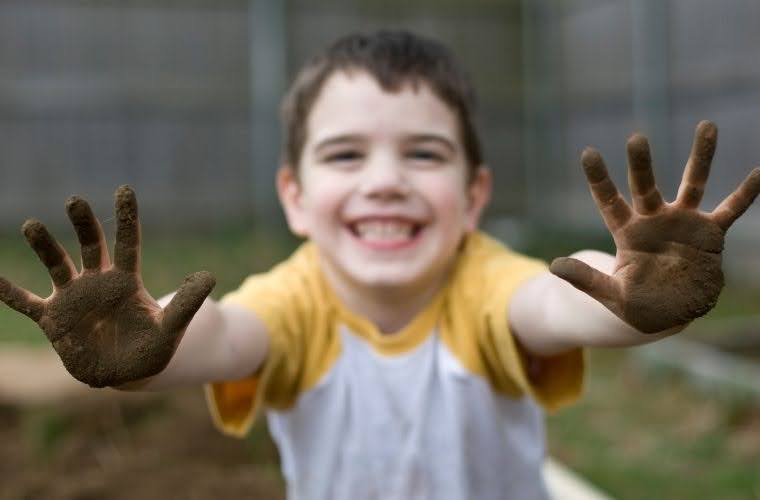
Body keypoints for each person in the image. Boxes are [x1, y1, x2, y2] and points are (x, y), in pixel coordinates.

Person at [1, 30, 759, 500]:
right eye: (346, 154)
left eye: (423, 153)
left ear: (473, 195)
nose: (385, 179)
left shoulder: (483, 282)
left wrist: (630, 293)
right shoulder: (296, 301)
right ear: (295, 197)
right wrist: (141, 346)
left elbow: (556, 300)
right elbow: (219, 336)